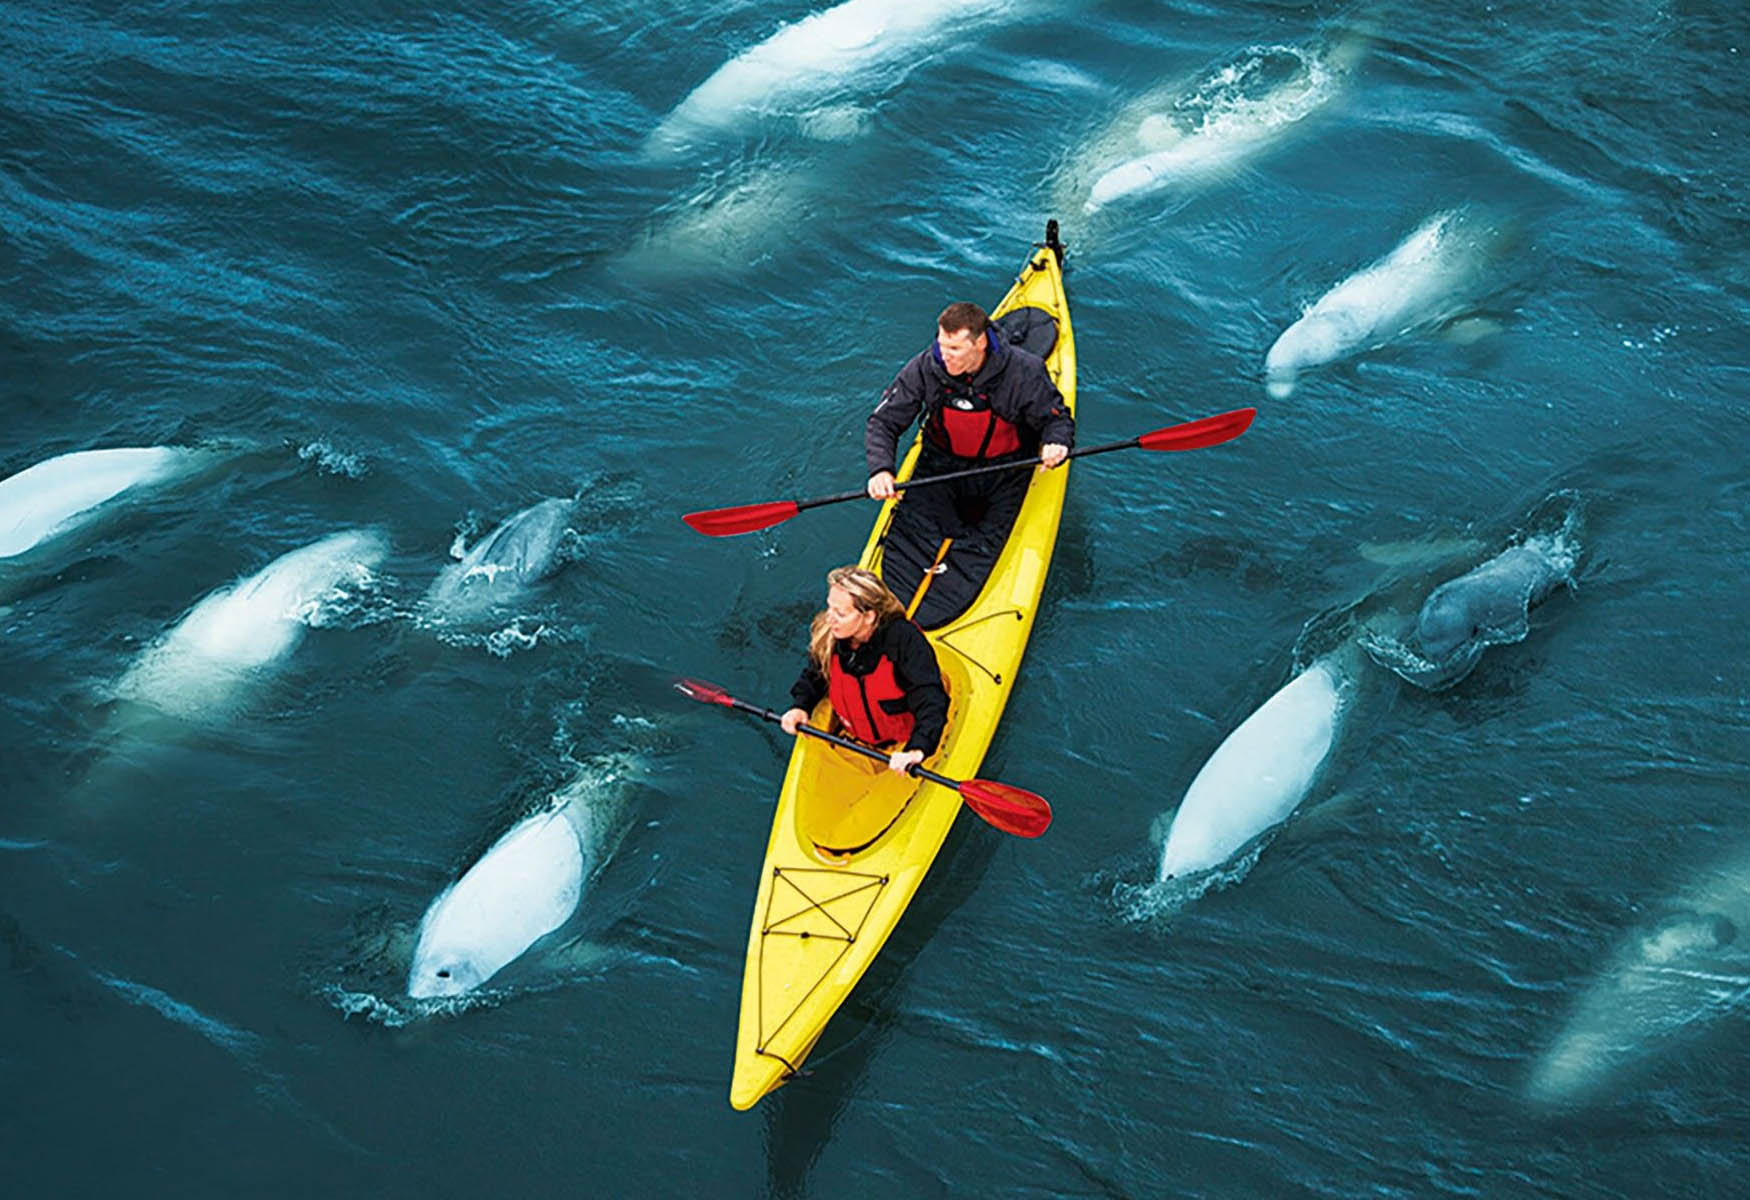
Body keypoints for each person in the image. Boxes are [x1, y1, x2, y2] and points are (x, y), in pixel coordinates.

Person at [863, 301, 1074, 623]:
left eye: (954, 349)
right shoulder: (925, 367)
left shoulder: (1025, 371)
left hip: (1005, 470)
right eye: (941, 344)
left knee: (981, 546)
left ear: (980, 343)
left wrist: (1056, 444)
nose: (944, 355)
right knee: (915, 537)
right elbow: (883, 422)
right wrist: (881, 469)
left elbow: (1056, 419)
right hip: (941, 467)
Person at [781, 565, 948, 775]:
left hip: (903, 745)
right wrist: (800, 706)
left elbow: (930, 698)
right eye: (829, 607)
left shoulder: (905, 641)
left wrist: (917, 750)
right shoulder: (830, 635)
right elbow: (815, 675)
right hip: (853, 738)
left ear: (868, 616)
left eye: (840, 613)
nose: (829, 618)